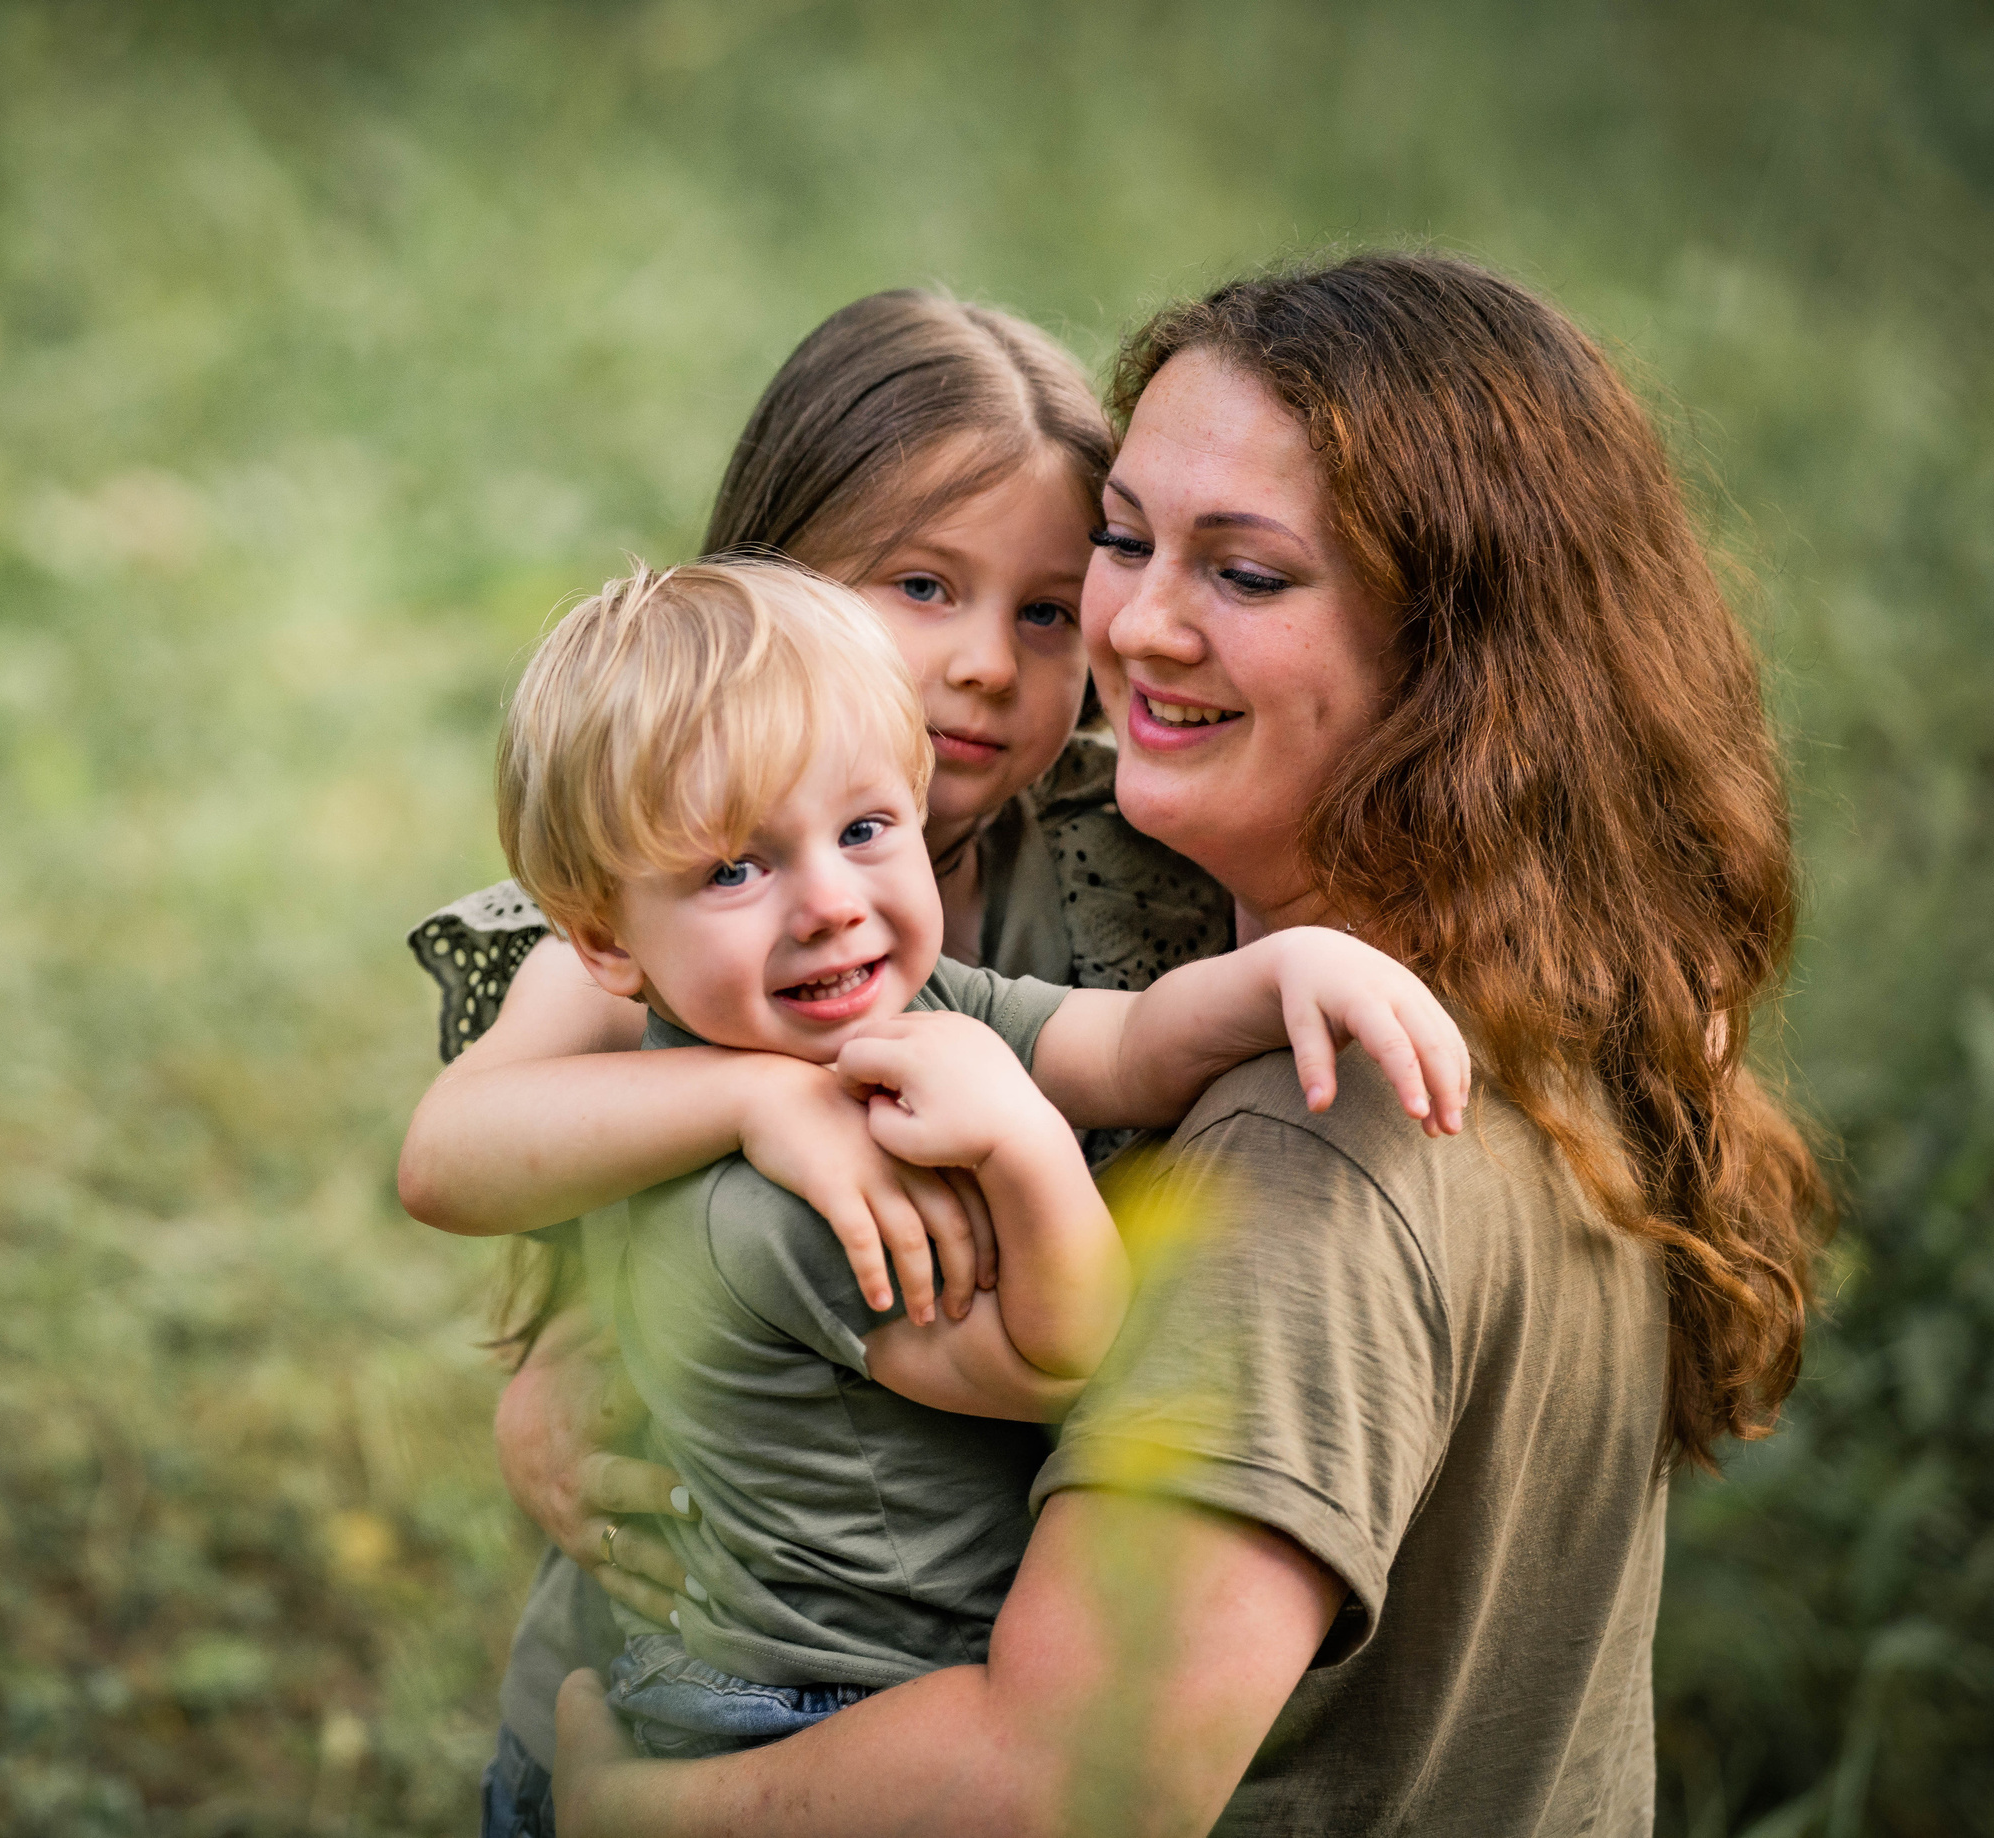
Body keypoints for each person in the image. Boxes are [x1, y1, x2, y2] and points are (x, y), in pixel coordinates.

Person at [543, 251, 1834, 1836]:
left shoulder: (1308, 1149)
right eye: (1126, 538)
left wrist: (632, 1812)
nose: (1136, 625)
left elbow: (1064, 1781)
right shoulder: (1551, 988)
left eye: (1248, 574)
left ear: (1462, 658)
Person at [403, 291, 1250, 1835]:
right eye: (922, 585)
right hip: (691, 1668)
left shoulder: (1124, 870)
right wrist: (757, 1090)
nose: (984, 662)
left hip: (961, 1694)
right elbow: (452, 1151)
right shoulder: (654, 885)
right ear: (775, 579)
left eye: (1046, 609)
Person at [476, 554, 1465, 1774]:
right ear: (604, 940)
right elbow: (1062, 1359)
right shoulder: (767, 1205)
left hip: (859, 1688)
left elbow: (1126, 1046)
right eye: (734, 868)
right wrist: (1024, 1141)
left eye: (863, 829)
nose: (829, 902)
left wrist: (1287, 968)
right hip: (800, 1713)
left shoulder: (907, 1005)